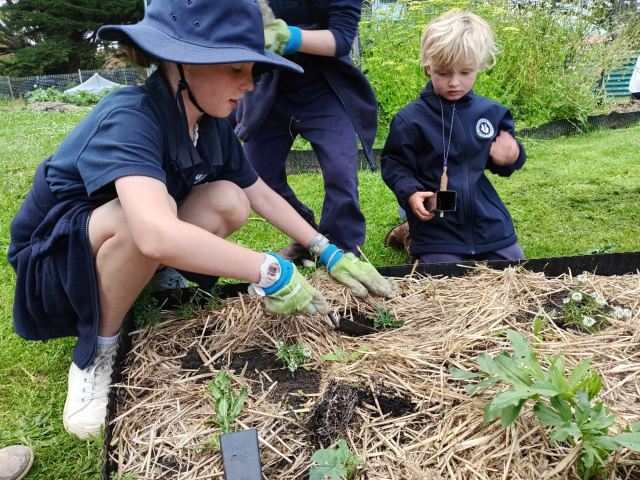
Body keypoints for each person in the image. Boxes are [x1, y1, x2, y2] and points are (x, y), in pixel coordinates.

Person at [7, 0, 395, 440]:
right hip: (56, 261)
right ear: (183, 64)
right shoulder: (130, 116)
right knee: (143, 227)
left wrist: (327, 251)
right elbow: (153, 231)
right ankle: (97, 348)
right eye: (235, 70)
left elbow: (258, 193)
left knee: (228, 199)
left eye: (253, 70)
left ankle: (148, 278)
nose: (249, 84)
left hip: (114, 238)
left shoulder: (209, 120)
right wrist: (269, 270)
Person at [233, 0, 378, 263]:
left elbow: (342, 38)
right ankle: (307, 234)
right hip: (270, 88)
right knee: (256, 175)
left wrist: (292, 36)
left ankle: (343, 251)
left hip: (323, 88)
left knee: (340, 172)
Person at [381, 11, 526, 264]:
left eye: (465, 72)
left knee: (515, 267)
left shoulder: (492, 113)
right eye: (444, 73)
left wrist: (511, 156)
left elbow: (502, 165)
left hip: (486, 220)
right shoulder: (410, 119)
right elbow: (395, 164)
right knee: (443, 274)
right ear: (428, 68)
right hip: (437, 223)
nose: (454, 83)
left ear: (480, 66)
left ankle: (408, 231)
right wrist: (410, 193)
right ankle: (409, 232)